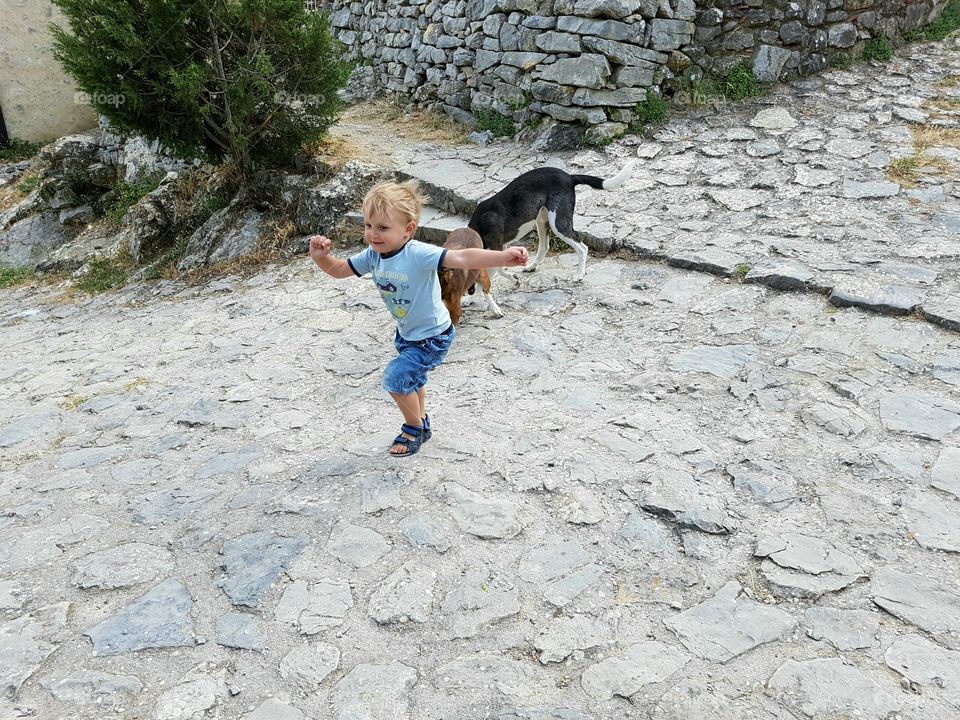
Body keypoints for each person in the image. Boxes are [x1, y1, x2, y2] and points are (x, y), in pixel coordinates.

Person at [309, 180, 528, 456]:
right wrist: (321, 258)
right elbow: (340, 270)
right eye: (368, 226)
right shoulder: (374, 256)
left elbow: (462, 258)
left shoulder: (418, 253)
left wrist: (502, 257)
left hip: (433, 336)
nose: (372, 234)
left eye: (383, 228)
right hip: (408, 333)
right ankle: (421, 421)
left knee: (395, 380)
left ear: (408, 229)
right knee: (414, 381)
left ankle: (414, 427)